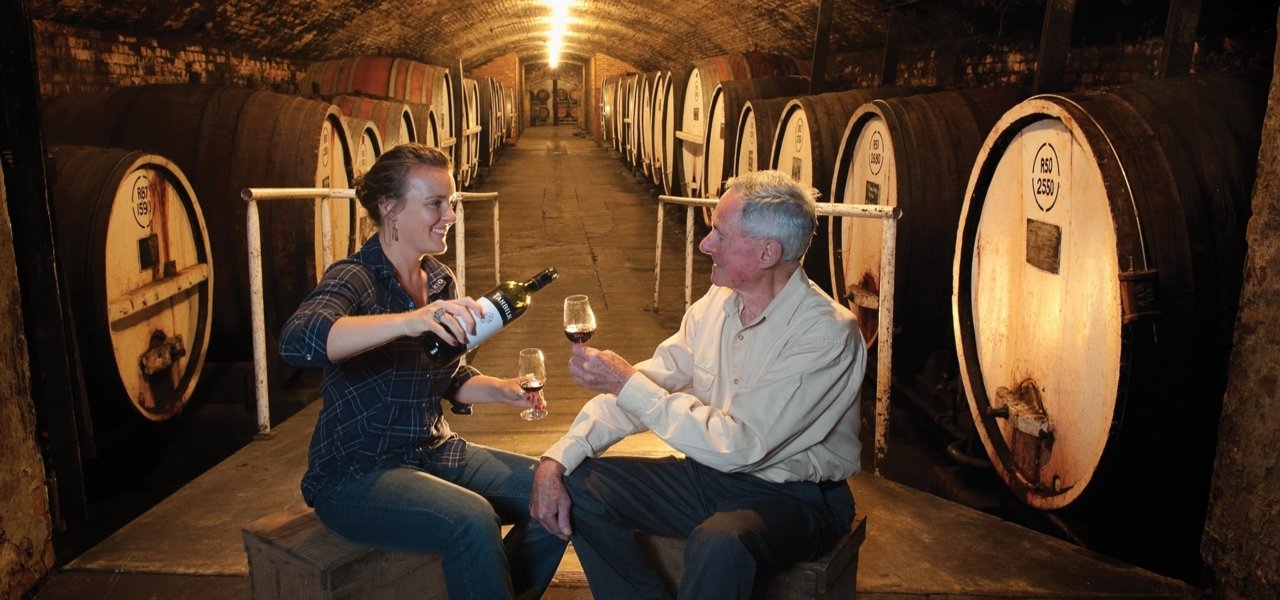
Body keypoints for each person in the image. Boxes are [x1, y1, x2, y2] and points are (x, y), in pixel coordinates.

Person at [530, 169, 867, 599]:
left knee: (721, 541)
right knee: (581, 486)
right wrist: (559, 457)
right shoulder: (717, 303)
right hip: (709, 478)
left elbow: (741, 446)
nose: (705, 244)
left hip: (796, 497)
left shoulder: (826, 333)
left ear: (767, 252)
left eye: (720, 234)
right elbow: (647, 382)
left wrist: (626, 382)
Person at [278, 143, 566, 600]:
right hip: (356, 472)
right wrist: (409, 320)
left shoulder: (439, 280)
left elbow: (448, 376)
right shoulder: (355, 277)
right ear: (389, 208)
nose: (450, 215)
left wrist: (503, 390)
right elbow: (298, 340)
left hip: (434, 453)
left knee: (559, 491)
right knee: (473, 520)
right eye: (436, 203)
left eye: (450, 202)